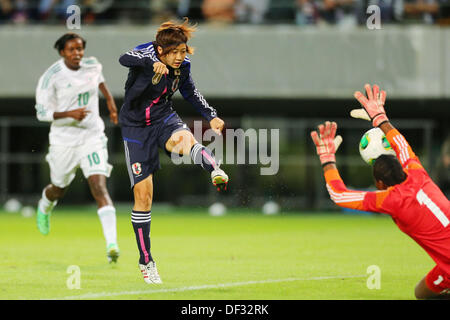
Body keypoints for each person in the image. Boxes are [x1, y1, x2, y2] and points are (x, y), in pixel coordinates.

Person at [310, 84, 450, 299]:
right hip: (445, 262)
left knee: (423, 295)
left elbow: (339, 195)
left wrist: (327, 159)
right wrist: (379, 116)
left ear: (380, 184)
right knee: (422, 292)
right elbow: (399, 142)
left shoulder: (392, 200)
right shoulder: (416, 170)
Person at [118, 18, 229, 284]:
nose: (180, 57)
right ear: (161, 51)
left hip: (164, 118)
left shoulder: (183, 68)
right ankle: (146, 262)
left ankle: (214, 168)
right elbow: (123, 58)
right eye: (174, 52)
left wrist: (211, 115)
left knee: (185, 141)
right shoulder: (145, 53)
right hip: (135, 128)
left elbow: (191, 92)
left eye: (183, 51)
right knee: (144, 198)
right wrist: (150, 64)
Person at [35, 32, 120, 264]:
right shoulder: (51, 77)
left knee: (98, 186)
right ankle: (45, 204)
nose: (77, 53)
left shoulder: (91, 65)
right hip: (64, 139)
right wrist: (69, 114)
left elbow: (100, 82)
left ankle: (112, 245)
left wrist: (111, 106)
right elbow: (41, 112)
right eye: (72, 49)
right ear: (62, 52)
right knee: (59, 188)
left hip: (91, 136)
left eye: (80, 48)